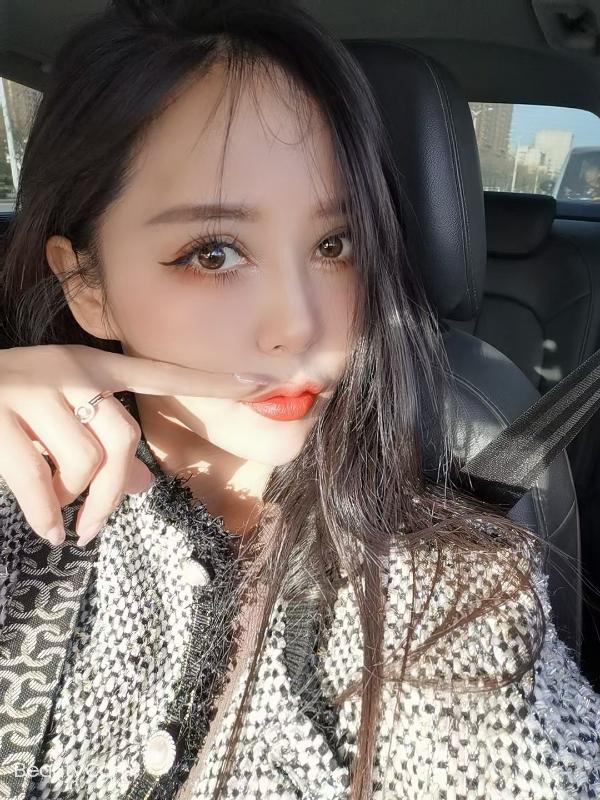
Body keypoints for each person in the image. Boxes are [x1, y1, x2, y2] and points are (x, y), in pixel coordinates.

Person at [0, 1, 598, 798]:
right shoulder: (16, 509)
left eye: (334, 245)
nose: (303, 326)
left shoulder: (452, 596)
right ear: (87, 285)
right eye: (214, 253)